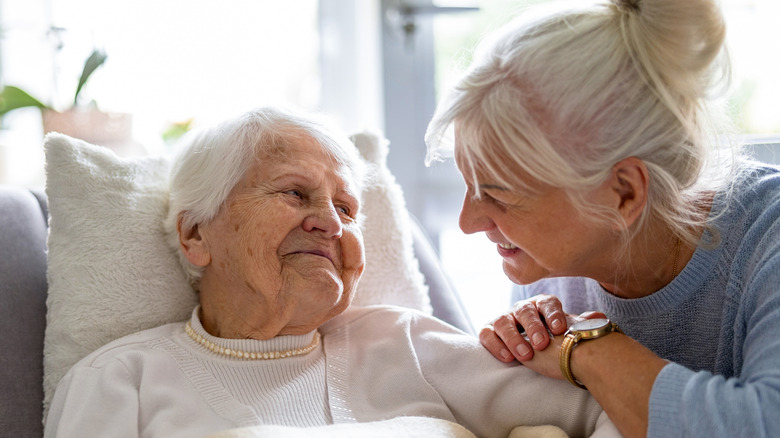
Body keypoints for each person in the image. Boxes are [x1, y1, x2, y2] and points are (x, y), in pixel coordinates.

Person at [43, 107, 618, 438]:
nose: (330, 225)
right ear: (196, 235)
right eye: (295, 194)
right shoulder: (123, 381)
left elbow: (606, 416)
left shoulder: (405, 341)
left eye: (347, 209)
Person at [424, 0, 780, 437]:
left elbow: (764, 422)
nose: (467, 221)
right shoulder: (547, 266)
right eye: (467, 183)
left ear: (624, 193)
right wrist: (520, 344)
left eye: (498, 196)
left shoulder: (769, 240)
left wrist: (587, 349)